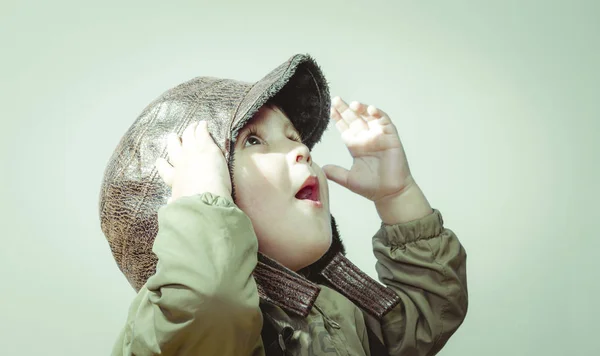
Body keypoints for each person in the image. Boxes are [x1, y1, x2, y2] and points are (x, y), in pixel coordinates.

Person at [99, 54, 468, 356]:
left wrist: (397, 196)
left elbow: (426, 320)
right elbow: (207, 302)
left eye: (294, 137)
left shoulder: (334, 314)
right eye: (254, 141)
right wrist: (201, 201)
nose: (301, 150)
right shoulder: (173, 331)